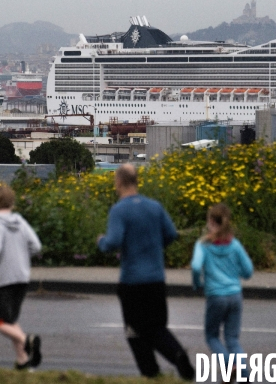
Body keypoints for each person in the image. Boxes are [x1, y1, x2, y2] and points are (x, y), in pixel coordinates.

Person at [97, 163, 194, 380]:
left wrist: (101, 242)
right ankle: (177, 354)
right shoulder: (155, 207)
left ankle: (151, 371)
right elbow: (170, 234)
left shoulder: (120, 210)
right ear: (137, 181)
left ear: (119, 182)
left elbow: (113, 242)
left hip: (132, 281)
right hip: (156, 279)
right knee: (157, 326)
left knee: (134, 330)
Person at [0, 184, 43, 371]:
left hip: (4, 278)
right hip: (22, 277)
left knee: (0, 323)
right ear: (13, 202)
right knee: (11, 319)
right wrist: (22, 257)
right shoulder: (20, 221)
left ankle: (28, 341)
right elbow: (36, 246)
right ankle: (23, 361)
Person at [191, 203, 254, 379]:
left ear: (211, 221)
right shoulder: (234, 244)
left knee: (211, 336)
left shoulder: (203, 244)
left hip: (216, 296)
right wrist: (236, 273)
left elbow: (196, 266)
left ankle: (228, 364)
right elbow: (248, 271)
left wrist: (197, 283)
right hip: (235, 295)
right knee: (232, 339)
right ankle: (245, 377)